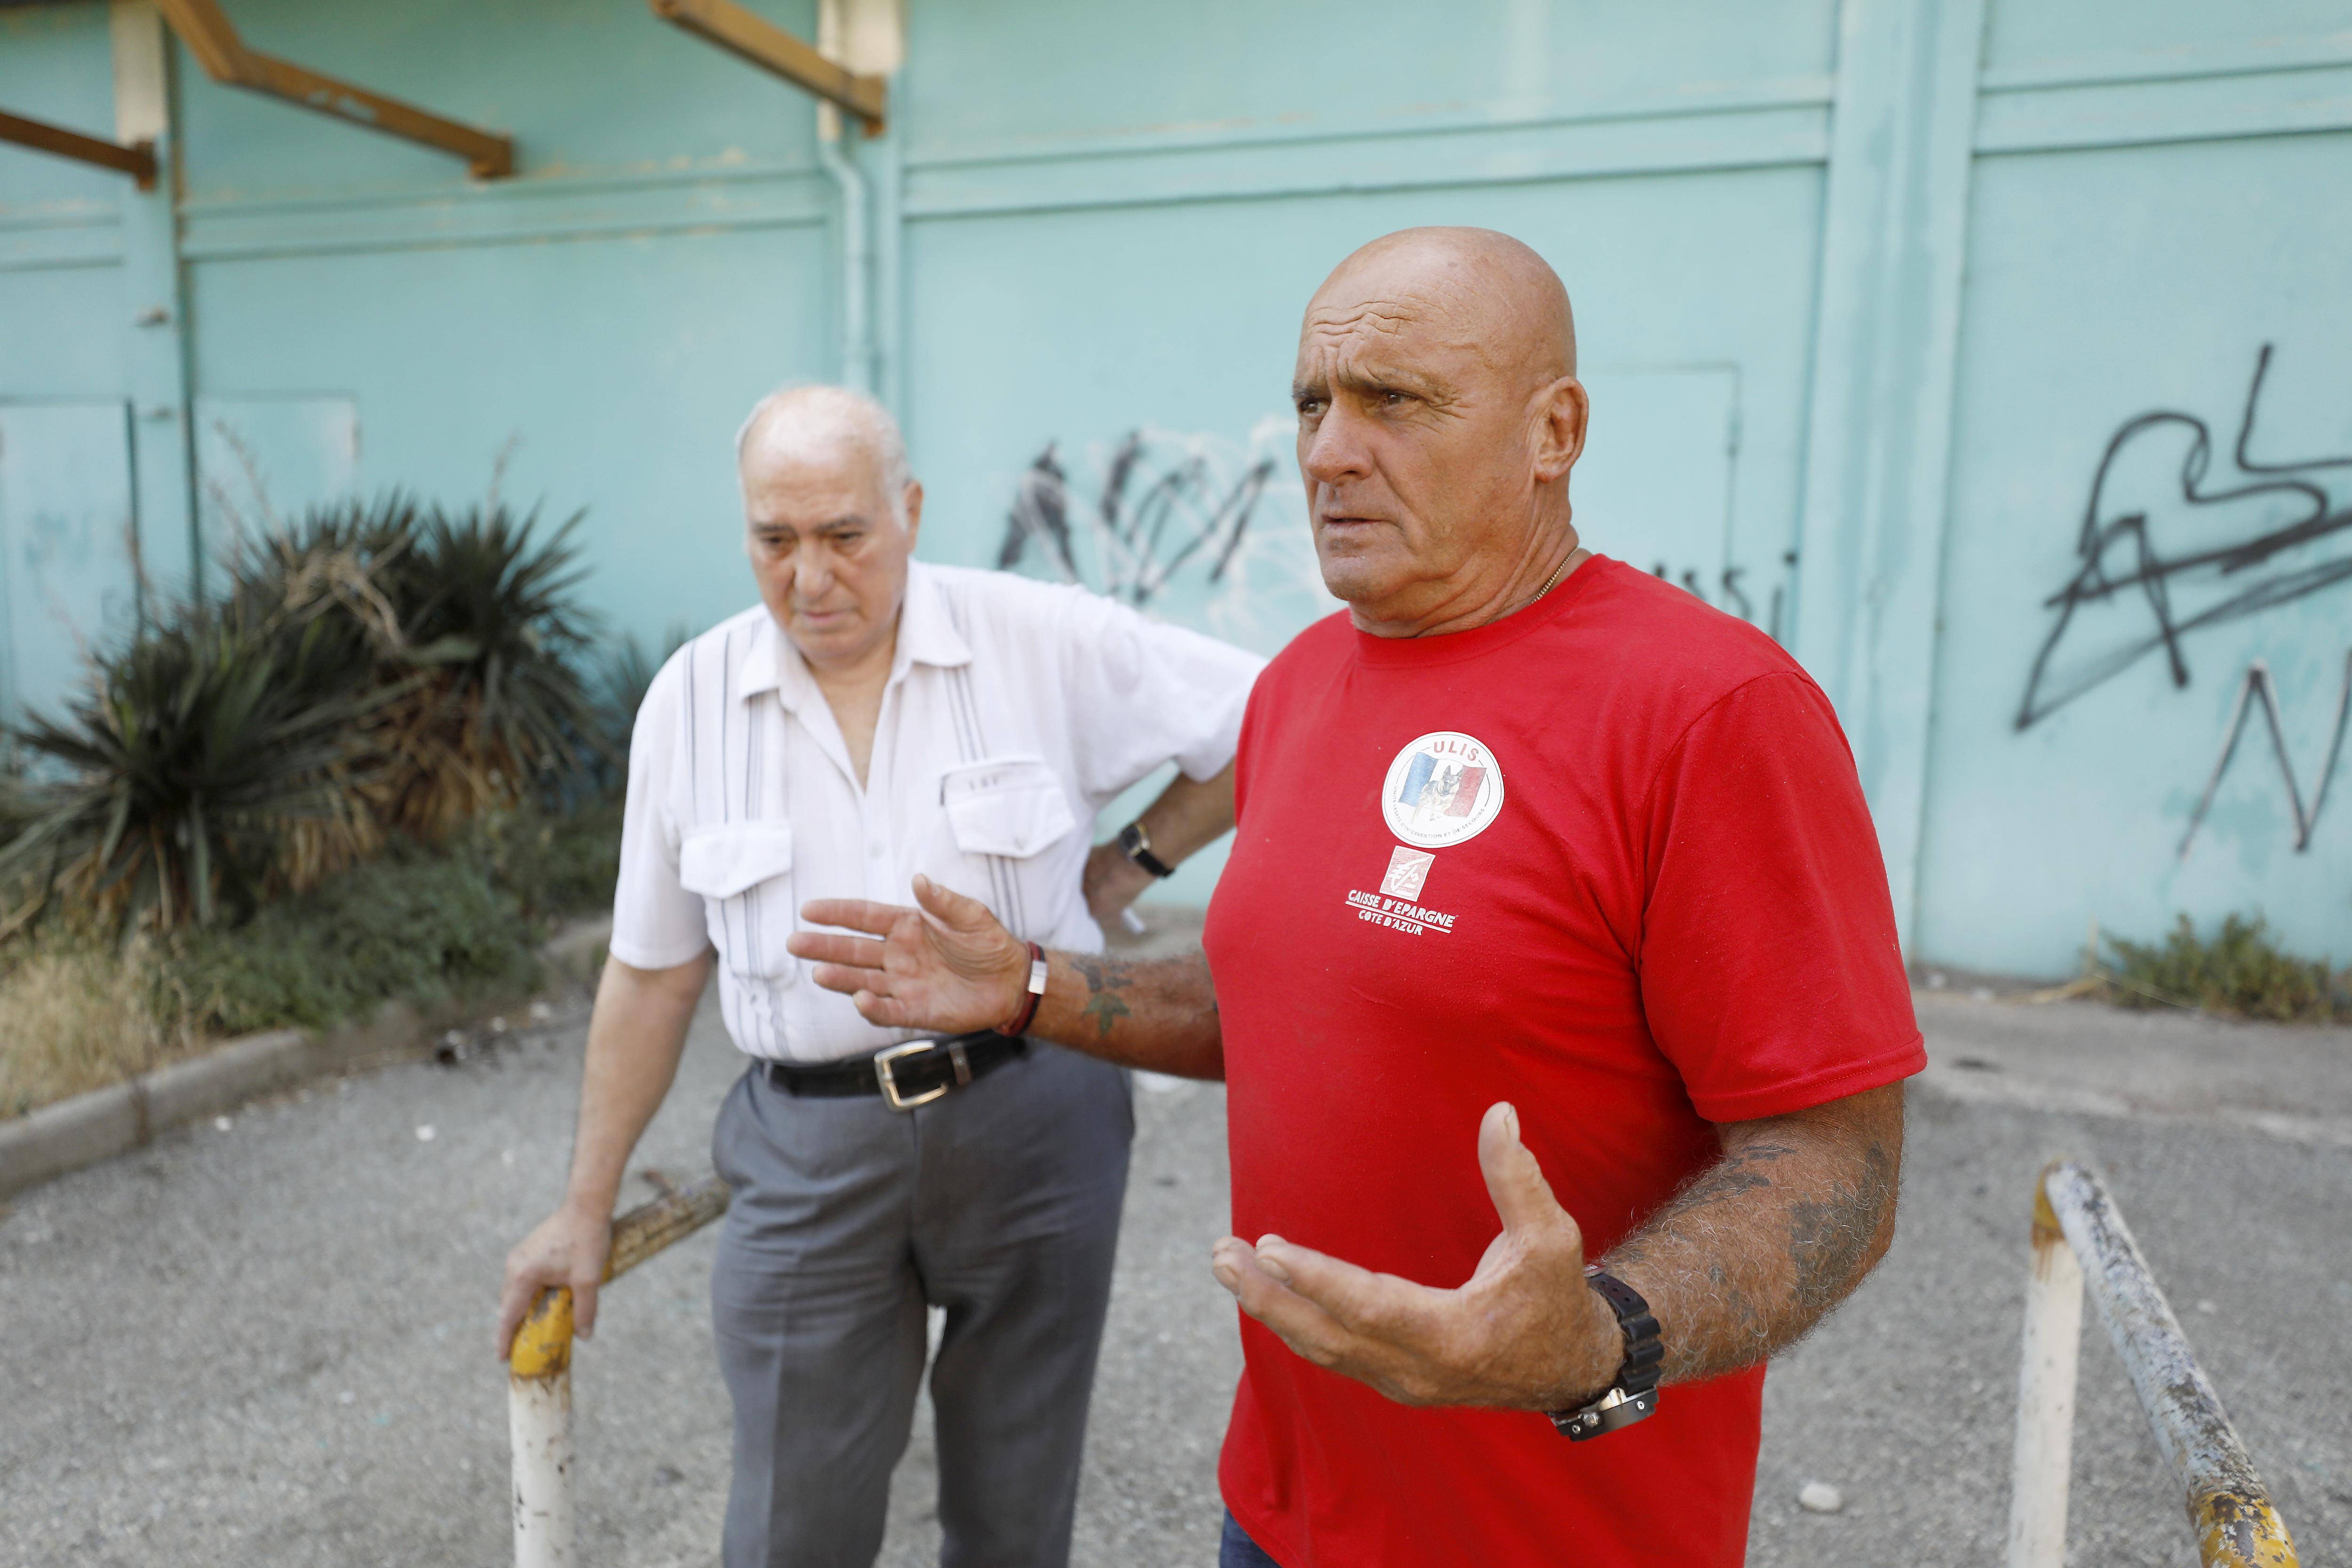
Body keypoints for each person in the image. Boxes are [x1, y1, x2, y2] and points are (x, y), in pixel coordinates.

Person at [786, 229, 1926, 1568]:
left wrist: (1599, 1334)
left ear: (1553, 429)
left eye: (1396, 400)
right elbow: (1299, 993)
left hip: (1559, 1536)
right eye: (1314, 403)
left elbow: (1838, 1161)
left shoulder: (1712, 711)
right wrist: (1032, 984)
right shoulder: (1303, 682)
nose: (1328, 451)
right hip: (1276, 1513)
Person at [495, 384, 1265, 1568]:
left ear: (907, 511)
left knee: (1014, 1514)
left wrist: (1129, 862)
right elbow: (651, 975)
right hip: (807, 1149)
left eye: (845, 535)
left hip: (1037, 1111)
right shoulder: (691, 704)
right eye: (775, 539)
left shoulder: (1037, 638)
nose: (811, 576)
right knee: (791, 1528)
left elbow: (1267, 715)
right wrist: (583, 1205)